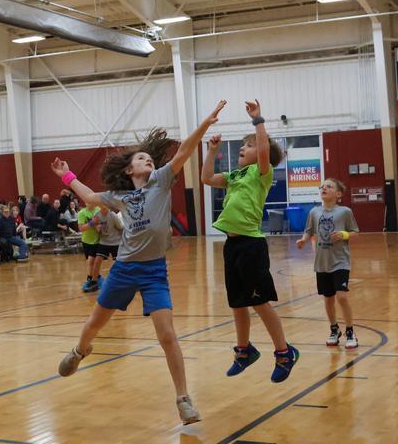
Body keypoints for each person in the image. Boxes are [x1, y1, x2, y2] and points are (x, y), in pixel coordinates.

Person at [52, 99, 227, 425]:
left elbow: (183, 152)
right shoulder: (121, 196)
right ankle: (79, 351)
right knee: (94, 326)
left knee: (168, 336)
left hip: (154, 271)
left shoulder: (162, 180)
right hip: (124, 270)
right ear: (130, 170)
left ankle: (183, 398)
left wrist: (205, 124)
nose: (148, 160)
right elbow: (89, 197)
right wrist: (67, 175)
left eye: (150, 157)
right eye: (141, 159)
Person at [201, 100, 298, 380]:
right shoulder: (234, 176)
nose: (243, 148)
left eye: (250, 145)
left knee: (260, 302)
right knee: (237, 303)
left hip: (252, 245)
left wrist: (257, 120)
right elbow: (207, 178)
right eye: (243, 146)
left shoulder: (261, 174)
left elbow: (265, 148)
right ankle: (244, 351)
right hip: (232, 246)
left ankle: (284, 353)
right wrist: (212, 150)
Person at [298, 178, 361, 350]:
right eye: (323, 186)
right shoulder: (314, 212)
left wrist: (344, 235)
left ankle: (350, 331)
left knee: (341, 297)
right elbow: (308, 230)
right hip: (322, 262)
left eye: (329, 186)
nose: (324, 188)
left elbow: (355, 232)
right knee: (328, 299)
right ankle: (334, 329)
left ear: (338, 194)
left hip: (340, 261)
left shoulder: (345, 212)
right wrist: (303, 240)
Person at [77, 201, 102, 292]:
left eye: (91, 202)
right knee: (90, 262)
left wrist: (99, 226)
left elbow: (101, 223)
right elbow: (81, 228)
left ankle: (91, 279)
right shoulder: (82, 213)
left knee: (92, 261)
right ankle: (96, 276)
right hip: (86, 241)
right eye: (87, 202)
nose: (89, 203)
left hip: (97, 241)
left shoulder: (98, 210)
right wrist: (92, 223)